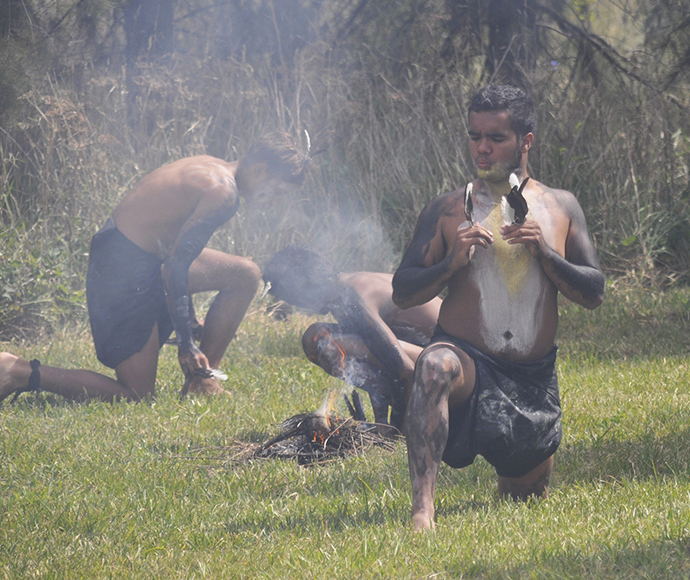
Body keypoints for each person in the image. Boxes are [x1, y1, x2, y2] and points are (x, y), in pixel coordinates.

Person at [392, 85, 605, 530]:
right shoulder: (448, 209)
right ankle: (422, 512)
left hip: (531, 379)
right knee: (434, 365)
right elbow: (403, 293)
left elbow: (593, 293)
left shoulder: (561, 207)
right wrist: (451, 265)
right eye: (474, 137)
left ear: (526, 140)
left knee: (522, 499)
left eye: (496, 138)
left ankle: (520, 468)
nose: (482, 148)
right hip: (468, 363)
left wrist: (547, 255)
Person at [0, 132, 309, 403]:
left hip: (139, 258)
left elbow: (173, 248)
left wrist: (185, 316)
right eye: (278, 192)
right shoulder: (223, 193)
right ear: (260, 170)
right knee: (136, 394)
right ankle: (17, 371)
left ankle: (202, 380)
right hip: (120, 269)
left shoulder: (213, 165)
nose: (275, 202)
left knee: (245, 274)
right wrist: (186, 343)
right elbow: (174, 267)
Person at [262, 244, 442, 427]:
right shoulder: (344, 289)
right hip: (432, 361)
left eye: (298, 299)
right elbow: (379, 355)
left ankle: (406, 424)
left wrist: (395, 431)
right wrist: (380, 421)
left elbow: (405, 370)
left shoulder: (353, 297)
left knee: (325, 342)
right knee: (315, 338)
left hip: (449, 368)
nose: (303, 305)